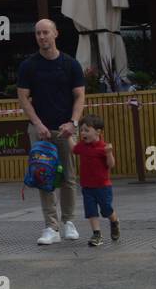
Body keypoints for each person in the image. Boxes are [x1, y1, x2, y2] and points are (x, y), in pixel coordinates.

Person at [17, 19, 85, 245]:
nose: (42, 37)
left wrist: (73, 123)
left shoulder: (71, 64)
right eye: (38, 33)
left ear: (56, 33)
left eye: (46, 32)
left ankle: (68, 222)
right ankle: (51, 227)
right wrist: (37, 123)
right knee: (43, 176)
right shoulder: (28, 65)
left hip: (65, 129)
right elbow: (23, 98)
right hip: (40, 130)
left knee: (68, 177)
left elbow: (79, 96)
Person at [73, 115, 119, 246]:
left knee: (106, 210)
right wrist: (69, 138)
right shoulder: (82, 145)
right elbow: (74, 149)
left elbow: (111, 165)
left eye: (87, 130)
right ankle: (97, 234)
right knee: (91, 211)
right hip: (87, 186)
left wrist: (109, 153)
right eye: (81, 130)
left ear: (98, 132)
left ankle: (114, 221)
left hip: (103, 186)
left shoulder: (103, 147)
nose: (83, 133)